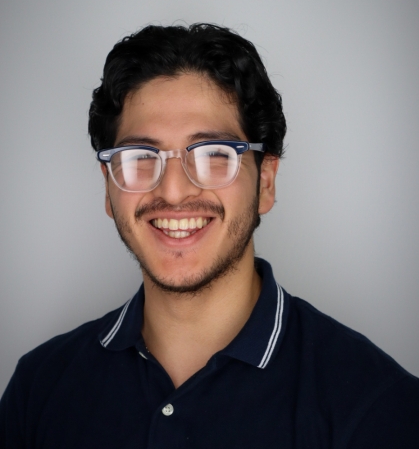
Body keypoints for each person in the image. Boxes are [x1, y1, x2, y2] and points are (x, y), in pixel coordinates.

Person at [1, 23, 418, 448]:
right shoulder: (38, 389)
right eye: (140, 157)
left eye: (214, 155)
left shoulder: (376, 406)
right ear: (109, 187)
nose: (173, 190)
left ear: (266, 183)